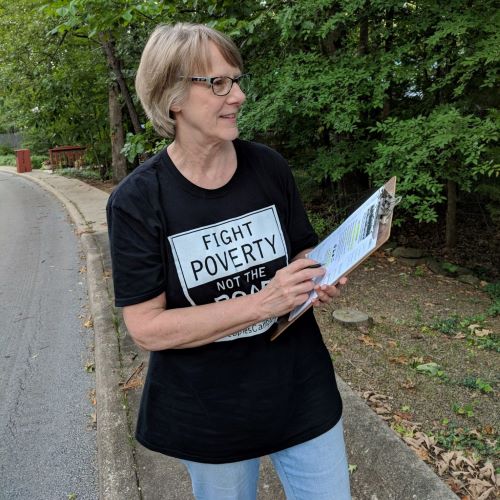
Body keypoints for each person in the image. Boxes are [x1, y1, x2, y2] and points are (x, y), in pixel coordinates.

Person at [107, 22, 351, 500]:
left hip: (300, 391)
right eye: (218, 83)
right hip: (208, 411)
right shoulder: (138, 201)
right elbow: (147, 328)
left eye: (235, 80)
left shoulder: (268, 167)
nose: (237, 95)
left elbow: (301, 250)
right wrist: (264, 302)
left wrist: (319, 272)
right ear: (173, 98)